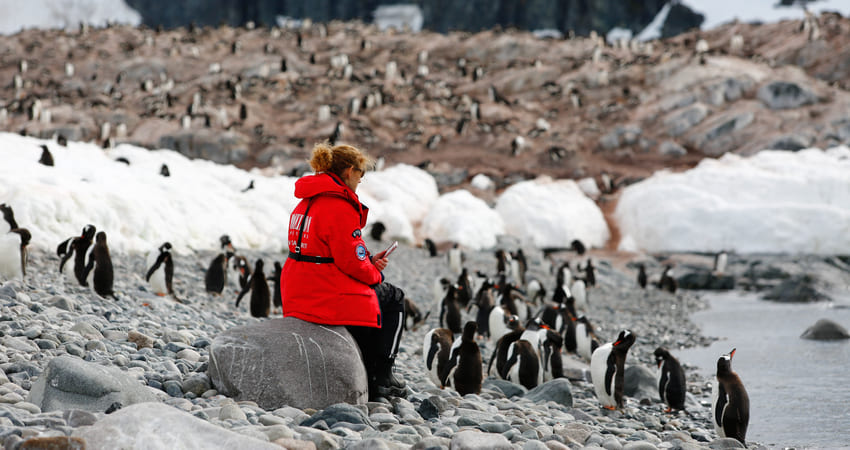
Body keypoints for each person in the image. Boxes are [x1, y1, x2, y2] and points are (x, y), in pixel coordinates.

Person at [281, 142, 407, 401]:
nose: (362, 180)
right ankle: (381, 375)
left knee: (374, 291)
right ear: (349, 171)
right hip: (322, 292)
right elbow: (351, 264)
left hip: (297, 285)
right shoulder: (339, 205)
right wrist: (376, 274)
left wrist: (369, 260)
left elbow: (325, 249)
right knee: (392, 297)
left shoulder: (309, 199)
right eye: (362, 173)